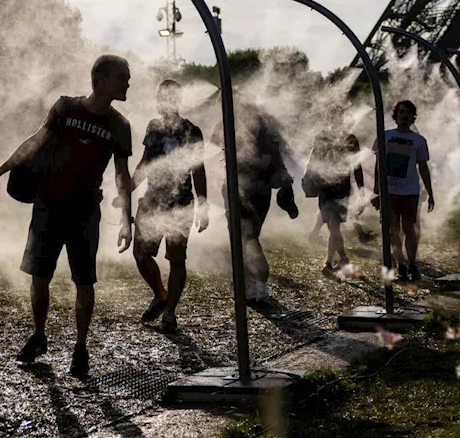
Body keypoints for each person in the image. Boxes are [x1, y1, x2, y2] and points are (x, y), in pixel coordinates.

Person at [0, 55, 133, 378]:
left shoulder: (120, 126)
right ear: (99, 80)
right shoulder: (65, 108)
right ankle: (38, 336)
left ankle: (80, 349)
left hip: (86, 211)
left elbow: (122, 175)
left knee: (84, 281)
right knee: (39, 276)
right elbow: (35, 141)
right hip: (49, 205)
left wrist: (128, 218)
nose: (127, 83)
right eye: (122, 78)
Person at [125, 79, 208, 332]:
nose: (163, 103)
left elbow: (198, 169)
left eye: (169, 98)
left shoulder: (192, 131)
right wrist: (127, 190)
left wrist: (203, 204)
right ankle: (161, 295)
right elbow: (145, 163)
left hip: (180, 203)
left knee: (176, 259)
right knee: (141, 253)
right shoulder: (153, 127)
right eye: (160, 98)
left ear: (178, 101)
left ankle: (170, 313)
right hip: (152, 201)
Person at [211, 98, 295, 303]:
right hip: (260, 192)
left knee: (244, 238)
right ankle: (255, 286)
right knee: (249, 237)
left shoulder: (236, 127)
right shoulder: (266, 132)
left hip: (240, 190)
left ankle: (257, 286)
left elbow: (215, 142)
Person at [372, 100, 434, 281]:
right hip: (389, 189)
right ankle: (401, 264)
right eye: (401, 112)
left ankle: (413, 264)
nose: (404, 116)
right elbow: (379, 164)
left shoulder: (419, 140)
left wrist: (430, 192)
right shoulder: (385, 136)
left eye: (408, 112)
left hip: (410, 190)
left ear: (414, 116)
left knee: (409, 228)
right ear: (395, 115)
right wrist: (377, 190)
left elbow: (423, 167)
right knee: (392, 228)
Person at [312, 133, 365, 273]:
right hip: (325, 189)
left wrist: (361, 191)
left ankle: (329, 262)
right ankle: (342, 259)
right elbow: (313, 161)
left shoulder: (351, 139)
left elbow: (357, 166)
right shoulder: (321, 137)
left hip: (341, 189)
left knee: (333, 226)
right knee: (332, 227)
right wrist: (309, 180)